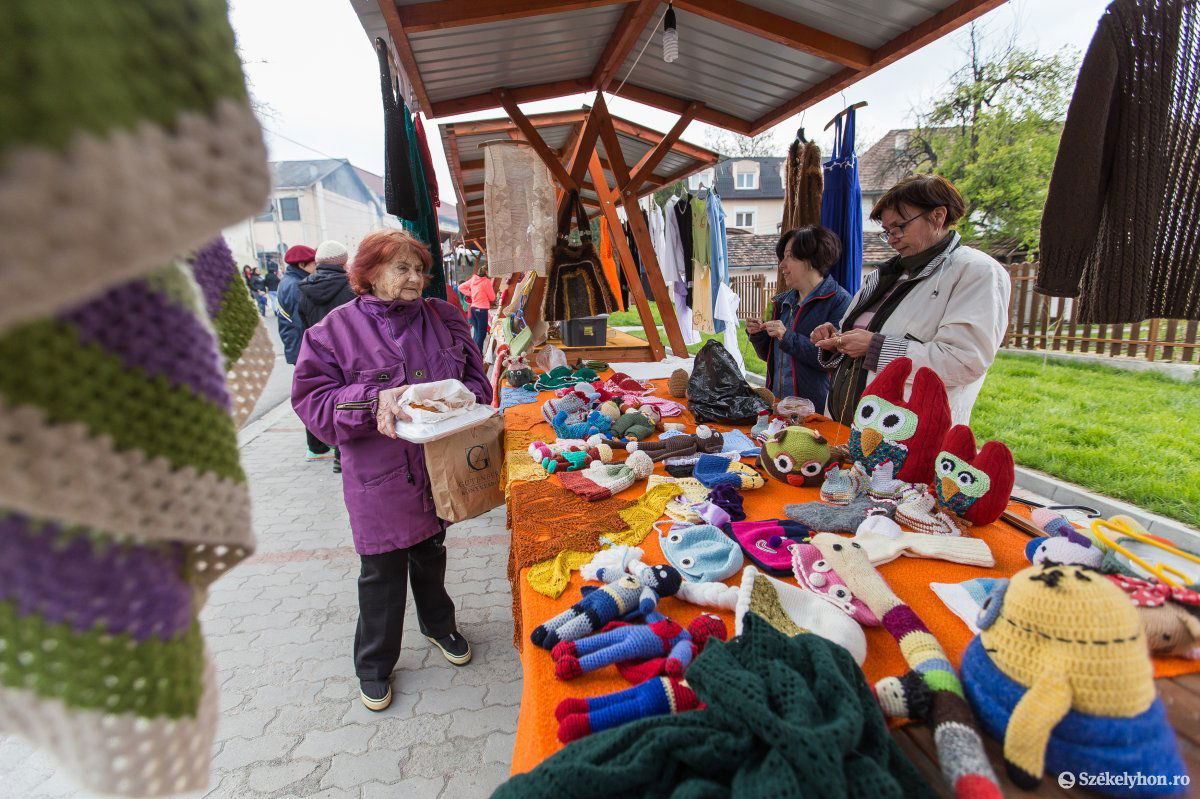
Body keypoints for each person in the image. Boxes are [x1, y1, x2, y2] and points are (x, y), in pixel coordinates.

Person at [291, 229, 490, 712]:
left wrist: (463, 398)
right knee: (381, 570)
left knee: (431, 550)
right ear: (370, 273)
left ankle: (439, 625)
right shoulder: (334, 330)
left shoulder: (443, 316)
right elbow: (311, 402)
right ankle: (375, 665)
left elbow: (475, 377)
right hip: (378, 476)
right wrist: (371, 400)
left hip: (435, 464)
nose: (415, 278)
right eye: (402, 268)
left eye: (419, 269)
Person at [812, 175, 1010, 425]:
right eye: (887, 231)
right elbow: (863, 336)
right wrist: (837, 339)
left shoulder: (976, 271)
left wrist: (875, 346)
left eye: (899, 227)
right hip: (850, 426)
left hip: (907, 433)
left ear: (938, 216)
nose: (892, 238)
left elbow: (964, 362)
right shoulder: (883, 275)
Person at [746, 226, 851, 414]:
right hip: (778, 405)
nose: (782, 265)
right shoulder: (780, 302)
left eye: (789, 257)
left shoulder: (840, 301)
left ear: (811, 259)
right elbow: (769, 357)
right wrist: (758, 335)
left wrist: (786, 336)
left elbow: (832, 361)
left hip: (815, 412)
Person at [298, 240, 358, 473]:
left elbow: (302, 325)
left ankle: (334, 451)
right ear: (343, 261)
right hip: (349, 354)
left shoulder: (303, 288)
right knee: (349, 404)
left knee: (328, 403)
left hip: (319, 354)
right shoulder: (351, 287)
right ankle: (342, 456)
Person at [279, 244, 334, 462]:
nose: (316, 268)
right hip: (301, 347)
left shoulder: (289, 282)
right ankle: (316, 448)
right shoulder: (296, 286)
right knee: (313, 395)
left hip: (296, 347)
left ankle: (318, 445)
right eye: (313, 264)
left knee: (313, 393)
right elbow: (301, 322)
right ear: (302, 264)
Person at [457, 262, 496, 350]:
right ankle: (478, 356)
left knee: (476, 334)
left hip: (474, 309)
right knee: (481, 335)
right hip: (482, 310)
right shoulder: (486, 281)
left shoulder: (474, 279)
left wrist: (471, 294)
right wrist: (474, 294)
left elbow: (460, 287)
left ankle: (473, 355)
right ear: (487, 272)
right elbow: (492, 297)